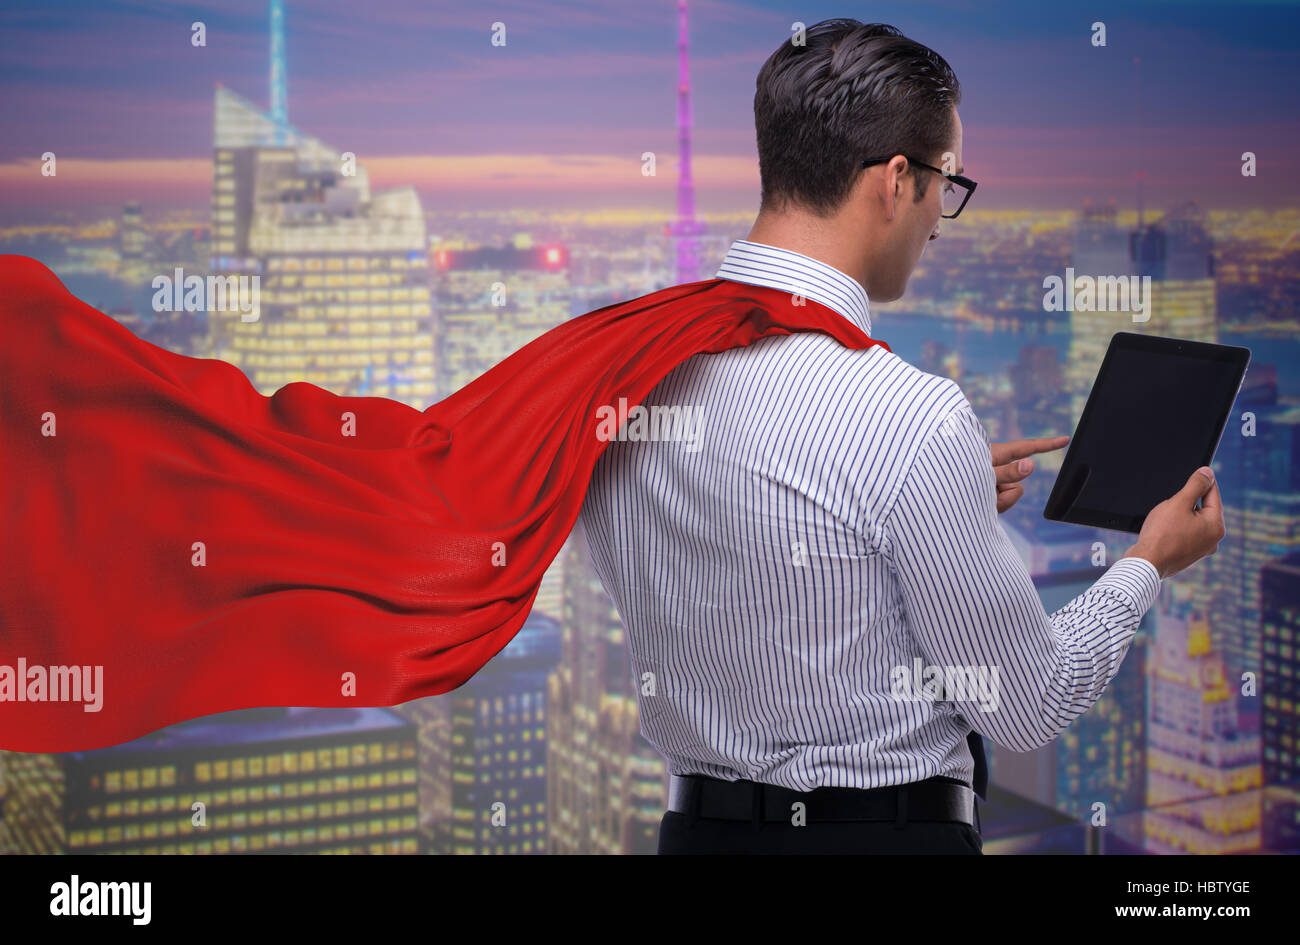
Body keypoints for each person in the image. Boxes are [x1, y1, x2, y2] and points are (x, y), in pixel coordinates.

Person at [578, 19, 1226, 855]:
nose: (941, 219)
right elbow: (1027, 702)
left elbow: (750, 551)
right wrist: (1149, 560)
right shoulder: (908, 419)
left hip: (694, 835)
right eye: (946, 185)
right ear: (895, 181)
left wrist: (927, 505)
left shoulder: (623, 381)